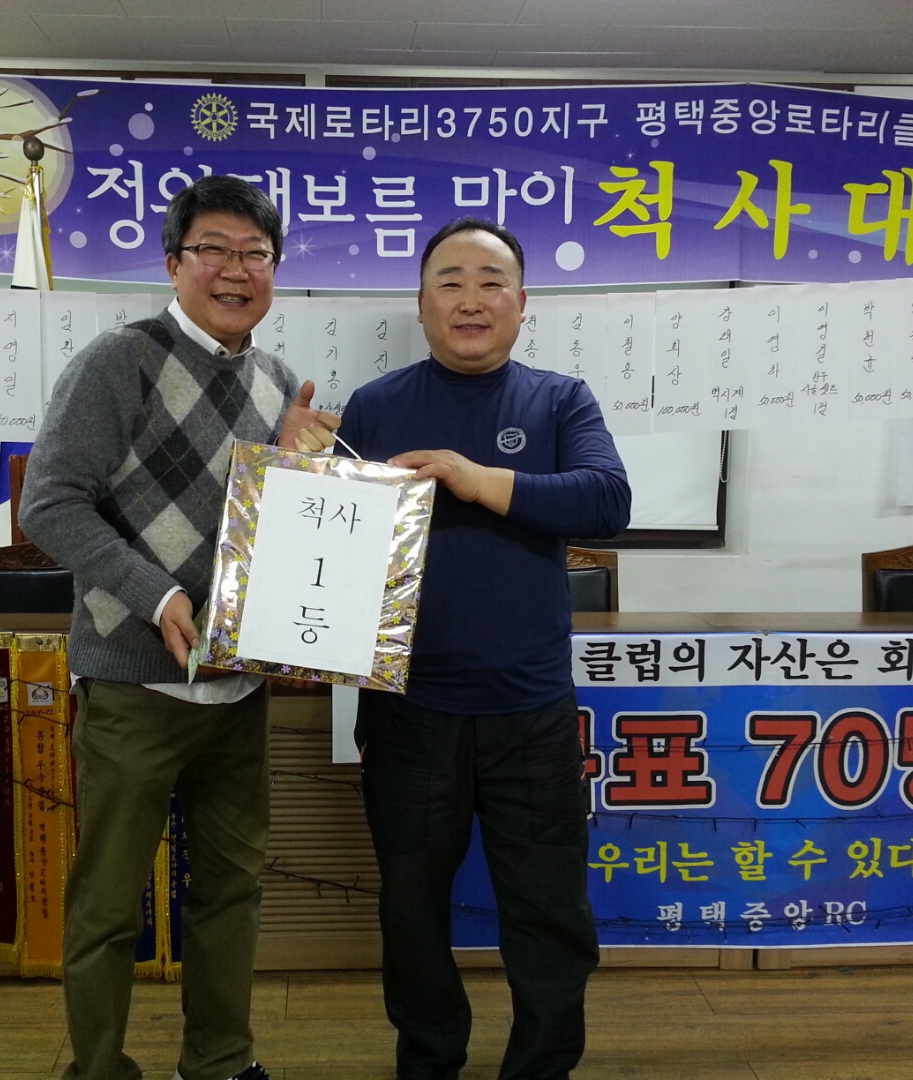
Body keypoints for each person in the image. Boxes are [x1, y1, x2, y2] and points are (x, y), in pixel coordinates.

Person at [19, 175, 338, 1080]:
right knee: (108, 902)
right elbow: (49, 504)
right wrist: (156, 595)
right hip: (133, 684)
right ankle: (96, 1069)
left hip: (237, 689)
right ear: (173, 263)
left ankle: (222, 1062)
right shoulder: (118, 361)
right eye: (214, 251)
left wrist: (302, 472)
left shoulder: (278, 382)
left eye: (256, 254)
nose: (236, 270)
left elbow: (272, 533)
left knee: (232, 889)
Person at [339, 218, 632, 1080]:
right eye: (451, 281)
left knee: (549, 913)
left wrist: (474, 479)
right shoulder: (375, 406)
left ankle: (541, 1066)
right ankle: (429, 1061)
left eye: (491, 281)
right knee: (410, 912)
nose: (471, 299)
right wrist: (293, 473)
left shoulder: (559, 400)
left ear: (522, 302)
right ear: (421, 303)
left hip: (531, 712)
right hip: (407, 710)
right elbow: (334, 550)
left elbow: (606, 500)